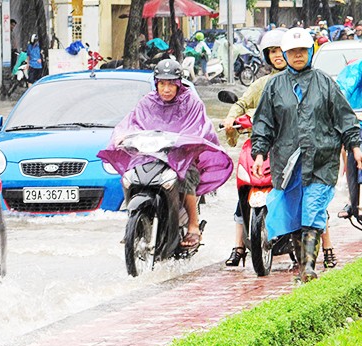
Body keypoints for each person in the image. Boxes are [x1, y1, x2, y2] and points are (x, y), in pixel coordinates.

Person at [251, 27, 362, 282]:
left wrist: (355, 146)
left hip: (321, 159)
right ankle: (303, 266)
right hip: (287, 163)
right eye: (293, 52)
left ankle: (310, 267)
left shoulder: (324, 83)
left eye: (302, 51)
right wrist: (259, 153)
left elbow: (345, 118)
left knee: (312, 211)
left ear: (310, 52)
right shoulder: (274, 87)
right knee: (294, 214)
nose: (298, 56)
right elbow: (264, 123)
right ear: (285, 55)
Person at [98, 60, 233, 249]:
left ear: (178, 83)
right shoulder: (147, 102)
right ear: (156, 83)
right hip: (151, 156)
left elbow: (199, 127)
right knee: (129, 177)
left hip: (181, 157)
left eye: (171, 84)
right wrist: (122, 137)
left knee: (186, 177)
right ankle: (134, 222)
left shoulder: (191, 102)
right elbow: (130, 123)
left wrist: (183, 141)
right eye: (162, 83)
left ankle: (193, 226)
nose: (167, 89)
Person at [221, 28, 287, 267]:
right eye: (272, 52)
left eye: (281, 50)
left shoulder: (301, 79)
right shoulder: (261, 83)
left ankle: (322, 244)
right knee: (243, 192)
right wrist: (231, 119)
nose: (277, 55)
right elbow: (242, 103)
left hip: (288, 145)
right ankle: (238, 246)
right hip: (258, 144)